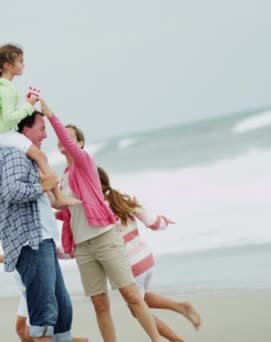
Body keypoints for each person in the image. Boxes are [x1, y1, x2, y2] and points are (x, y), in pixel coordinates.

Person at [40, 100, 160, 342]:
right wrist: (45, 198)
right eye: (61, 142)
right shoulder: (62, 177)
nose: (64, 144)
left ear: (79, 143)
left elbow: (68, 141)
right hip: (84, 248)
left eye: (70, 139)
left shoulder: (85, 163)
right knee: (100, 305)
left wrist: (50, 114)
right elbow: (65, 209)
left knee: (132, 297)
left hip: (104, 238)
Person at [0, 111, 73, 342]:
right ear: (26, 131)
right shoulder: (14, 155)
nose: (45, 134)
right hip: (32, 242)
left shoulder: (26, 157)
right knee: (45, 317)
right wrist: (43, 185)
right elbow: (12, 191)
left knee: (62, 312)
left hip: (42, 240)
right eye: (42, 128)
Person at [97, 166, 202, 342]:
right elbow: (153, 222)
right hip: (145, 259)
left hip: (128, 266)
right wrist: (164, 222)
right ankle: (181, 306)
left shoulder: (96, 210)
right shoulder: (123, 198)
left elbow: (88, 243)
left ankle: (177, 340)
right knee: (143, 298)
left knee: (137, 310)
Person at [0, 43, 79, 208]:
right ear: (8, 65)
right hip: (4, 134)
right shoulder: (7, 89)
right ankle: (59, 196)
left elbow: (7, 115)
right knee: (41, 156)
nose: (23, 64)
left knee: (37, 158)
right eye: (20, 61)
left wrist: (27, 105)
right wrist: (28, 105)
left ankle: (55, 196)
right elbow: (9, 119)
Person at [0, 255, 88, 342]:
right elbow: (13, 255)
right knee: (20, 330)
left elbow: (20, 254)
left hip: (35, 291)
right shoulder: (14, 239)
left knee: (32, 333)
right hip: (25, 293)